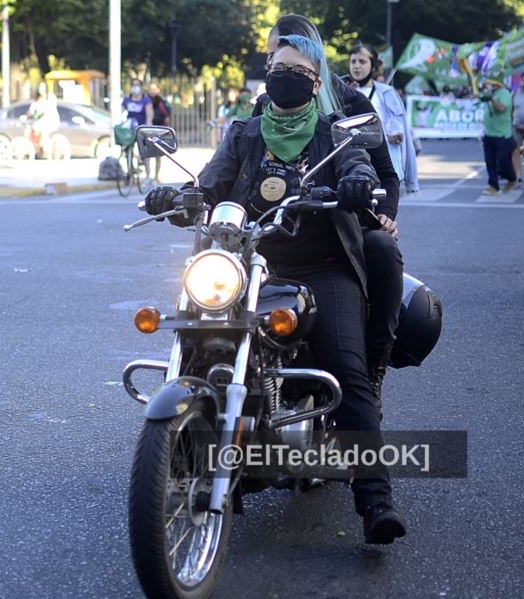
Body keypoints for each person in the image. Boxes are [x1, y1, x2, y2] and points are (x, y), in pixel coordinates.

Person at [145, 34, 406, 545]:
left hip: (322, 266)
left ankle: (375, 500)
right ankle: (194, 455)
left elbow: (358, 166)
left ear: (314, 82)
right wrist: (176, 196)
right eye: (276, 66)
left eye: (297, 70)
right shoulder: (244, 132)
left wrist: (356, 185)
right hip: (249, 266)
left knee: (348, 377)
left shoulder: (334, 132)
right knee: (200, 342)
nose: (284, 75)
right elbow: (210, 183)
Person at [257, 14, 403, 414]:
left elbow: (383, 174)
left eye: (288, 63)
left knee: (380, 248)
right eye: (273, 61)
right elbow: (233, 166)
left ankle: (371, 368)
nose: (277, 69)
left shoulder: (348, 103)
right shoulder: (260, 108)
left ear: (312, 64)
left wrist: (381, 209)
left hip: (338, 219)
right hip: (274, 228)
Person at [346, 43, 420, 195]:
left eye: (362, 62)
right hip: (351, 168)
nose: (357, 66)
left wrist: (411, 180)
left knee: (384, 216)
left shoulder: (388, 94)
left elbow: (405, 133)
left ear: (373, 66)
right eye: (353, 61)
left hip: (384, 169)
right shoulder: (341, 92)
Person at [478, 79, 516, 195]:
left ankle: (512, 179)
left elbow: (502, 108)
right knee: (490, 161)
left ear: (496, 84)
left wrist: (491, 99)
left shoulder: (504, 93)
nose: (487, 85)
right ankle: (493, 186)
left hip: (502, 135)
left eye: (489, 83)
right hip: (489, 133)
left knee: (504, 162)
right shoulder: (492, 94)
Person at [148, 82, 171, 181]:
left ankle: (156, 176)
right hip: (147, 128)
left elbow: (168, 112)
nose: (152, 91)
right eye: (151, 89)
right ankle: (148, 174)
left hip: (159, 128)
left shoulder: (162, 101)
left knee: (158, 154)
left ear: (158, 90)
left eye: (154, 89)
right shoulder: (146, 100)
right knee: (147, 153)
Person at [511, 85, 524, 185]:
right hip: (517, 127)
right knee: (515, 151)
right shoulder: (515, 94)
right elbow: (510, 110)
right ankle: (517, 176)